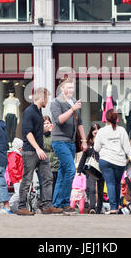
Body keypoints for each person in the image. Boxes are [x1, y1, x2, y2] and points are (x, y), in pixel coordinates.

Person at [17, 87, 63, 215]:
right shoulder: (29, 112)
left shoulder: (38, 111)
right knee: (27, 179)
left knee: (48, 177)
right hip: (31, 152)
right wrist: (37, 149)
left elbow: (36, 130)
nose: (47, 100)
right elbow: (27, 133)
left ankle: (47, 205)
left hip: (39, 151)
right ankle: (21, 207)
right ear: (42, 97)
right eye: (47, 97)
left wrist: (46, 130)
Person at [50, 77, 87, 211]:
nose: (71, 90)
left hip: (71, 142)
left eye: (73, 87)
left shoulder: (73, 103)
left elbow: (80, 124)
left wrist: (83, 141)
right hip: (59, 141)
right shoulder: (56, 102)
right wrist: (72, 109)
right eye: (69, 87)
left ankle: (57, 203)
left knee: (63, 172)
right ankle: (64, 202)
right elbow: (59, 120)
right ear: (62, 89)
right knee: (71, 170)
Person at [94, 109, 131, 215]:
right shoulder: (121, 130)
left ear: (106, 119)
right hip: (119, 161)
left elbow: (96, 148)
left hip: (106, 160)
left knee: (110, 183)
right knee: (117, 183)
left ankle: (113, 207)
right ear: (116, 118)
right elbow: (127, 147)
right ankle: (116, 206)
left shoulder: (101, 131)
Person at [77, 124, 104, 214]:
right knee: (91, 188)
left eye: (98, 129)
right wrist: (79, 171)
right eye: (94, 130)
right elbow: (83, 158)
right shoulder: (88, 144)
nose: (96, 131)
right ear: (91, 132)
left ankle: (99, 208)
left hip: (101, 168)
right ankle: (92, 207)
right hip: (90, 169)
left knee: (100, 189)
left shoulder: (103, 142)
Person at [7, 138, 24, 213]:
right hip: (16, 178)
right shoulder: (14, 155)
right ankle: (10, 204)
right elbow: (12, 168)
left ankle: (14, 206)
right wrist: (18, 177)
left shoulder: (16, 155)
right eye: (21, 148)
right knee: (18, 193)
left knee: (19, 192)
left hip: (18, 177)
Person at [43, 116, 59, 191]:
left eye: (48, 123)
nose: (46, 125)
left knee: (55, 187)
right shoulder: (40, 136)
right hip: (45, 165)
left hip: (55, 165)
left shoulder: (55, 135)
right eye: (44, 123)